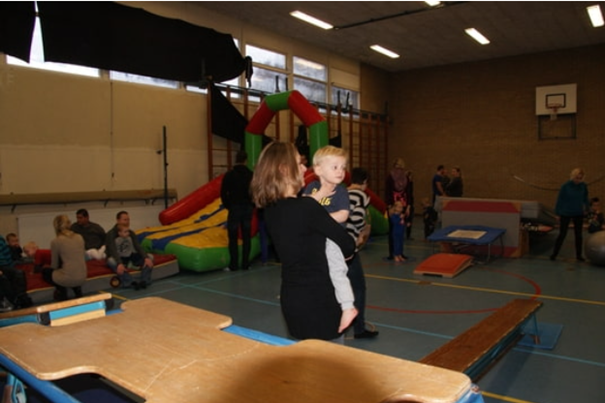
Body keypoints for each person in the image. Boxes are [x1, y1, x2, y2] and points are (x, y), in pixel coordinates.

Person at [250, 141, 356, 342]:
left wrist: (320, 195)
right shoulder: (306, 207)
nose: (304, 169)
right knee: (328, 359)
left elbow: (300, 217)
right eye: (299, 163)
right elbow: (348, 245)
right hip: (320, 300)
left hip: (293, 299)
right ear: (284, 169)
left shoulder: (270, 209)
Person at [304, 145, 357, 335]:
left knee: (337, 270)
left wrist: (320, 221)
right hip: (314, 240)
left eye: (343, 167)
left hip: (331, 238)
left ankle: (348, 306)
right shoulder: (311, 188)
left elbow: (343, 215)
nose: (340, 171)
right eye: (335, 167)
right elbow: (304, 208)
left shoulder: (341, 191)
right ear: (318, 169)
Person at [346, 167, 379, 339]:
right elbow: (357, 218)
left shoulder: (343, 192)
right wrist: (363, 231)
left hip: (336, 246)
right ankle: (358, 328)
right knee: (359, 288)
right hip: (349, 247)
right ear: (365, 181)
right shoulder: (361, 195)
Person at [220, 149, 254, 271]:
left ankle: (233, 264)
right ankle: (246, 263)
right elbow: (255, 191)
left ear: (236, 160)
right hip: (247, 207)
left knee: (233, 237)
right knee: (246, 236)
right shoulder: (251, 175)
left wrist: (228, 205)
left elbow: (223, 193)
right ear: (246, 160)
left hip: (234, 207)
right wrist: (252, 204)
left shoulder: (229, 175)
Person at [41, 215, 87, 301]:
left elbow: (54, 265)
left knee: (46, 272)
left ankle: (61, 290)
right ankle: (76, 289)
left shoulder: (56, 241)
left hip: (68, 277)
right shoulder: (79, 237)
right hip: (82, 276)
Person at [105, 211, 153, 289]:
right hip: (118, 257)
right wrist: (119, 263)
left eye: (128, 220)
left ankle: (144, 280)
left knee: (150, 257)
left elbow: (137, 246)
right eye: (125, 220)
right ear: (118, 220)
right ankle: (130, 281)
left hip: (130, 256)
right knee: (111, 261)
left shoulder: (130, 233)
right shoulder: (110, 234)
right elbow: (112, 250)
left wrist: (145, 257)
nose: (127, 222)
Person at [550, 168, 589, 261]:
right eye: (576, 178)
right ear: (572, 177)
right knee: (562, 234)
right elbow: (560, 200)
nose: (578, 180)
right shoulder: (565, 186)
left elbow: (585, 198)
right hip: (565, 212)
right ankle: (554, 253)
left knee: (578, 235)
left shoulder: (583, 186)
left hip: (578, 213)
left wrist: (587, 208)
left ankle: (579, 255)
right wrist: (557, 213)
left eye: (580, 178)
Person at [385, 158, 410, 260]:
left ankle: (400, 252)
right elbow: (387, 192)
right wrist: (390, 207)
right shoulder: (390, 177)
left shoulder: (405, 178)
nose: (399, 169)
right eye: (397, 167)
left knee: (401, 231)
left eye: (401, 167)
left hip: (402, 204)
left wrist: (408, 206)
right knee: (393, 231)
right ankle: (393, 253)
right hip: (393, 205)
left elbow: (409, 192)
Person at [0, 234, 32, 311]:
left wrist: (11, 267)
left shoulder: (1, 239)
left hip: (5, 266)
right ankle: (9, 301)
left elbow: (7, 256)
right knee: (3, 279)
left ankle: (21, 298)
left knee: (19, 273)